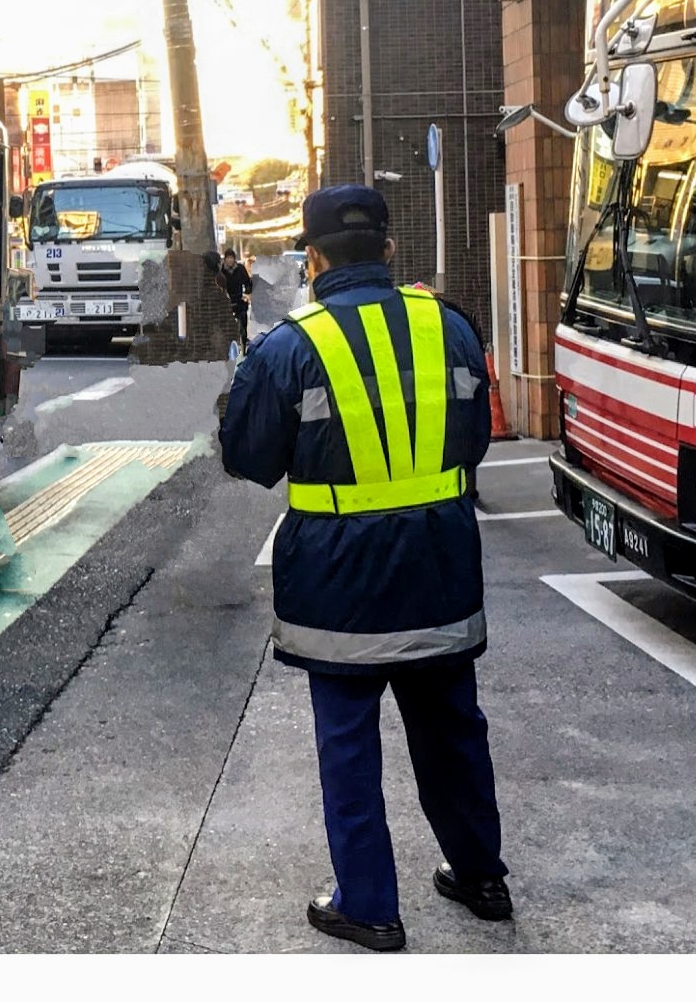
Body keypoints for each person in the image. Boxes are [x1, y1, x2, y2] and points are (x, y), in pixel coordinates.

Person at [218, 183, 508, 951]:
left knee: (348, 741)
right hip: (440, 563)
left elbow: (247, 457)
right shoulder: (449, 327)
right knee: (452, 726)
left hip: (338, 580)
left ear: (311, 259)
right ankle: (481, 875)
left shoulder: (289, 344)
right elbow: (475, 440)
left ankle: (371, 905)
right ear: (387, 250)